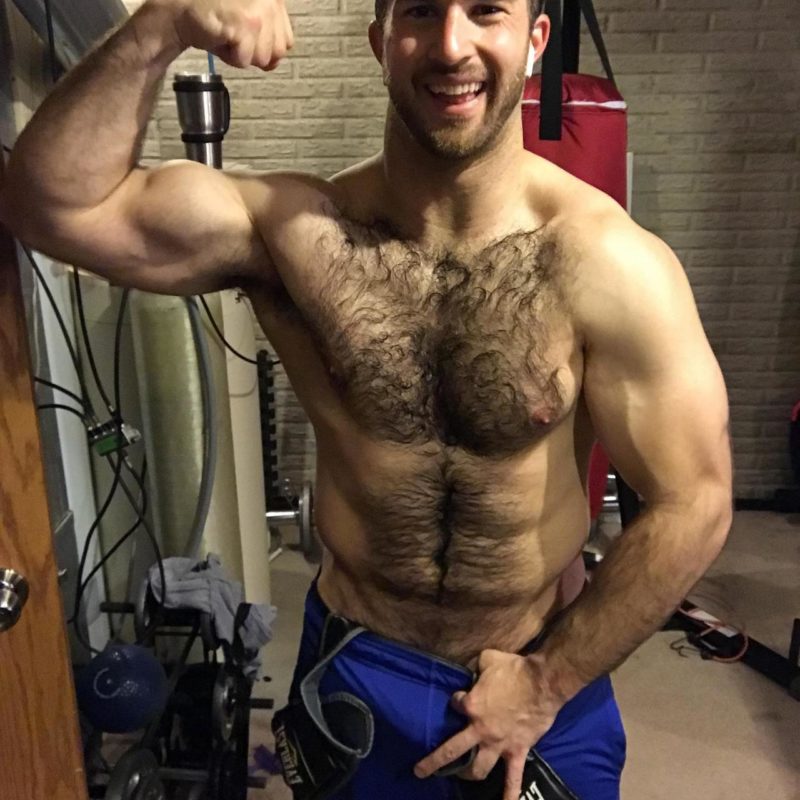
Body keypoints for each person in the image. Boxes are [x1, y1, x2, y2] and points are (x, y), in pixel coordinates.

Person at [0, 0, 733, 797]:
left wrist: (548, 681)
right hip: (356, 665)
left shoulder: (609, 262)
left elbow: (695, 501)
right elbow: (54, 207)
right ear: (382, 40)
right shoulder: (296, 233)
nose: (451, 45)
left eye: (486, 11)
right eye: (421, 11)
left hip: (534, 669)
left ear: (534, 40)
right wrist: (161, 25)